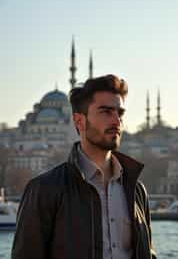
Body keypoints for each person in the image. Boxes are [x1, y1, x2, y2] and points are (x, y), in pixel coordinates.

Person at [12, 74, 156, 259]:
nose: (116, 121)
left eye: (119, 113)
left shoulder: (136, 190)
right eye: (106, 112)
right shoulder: (45, 190)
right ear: (79, 121)